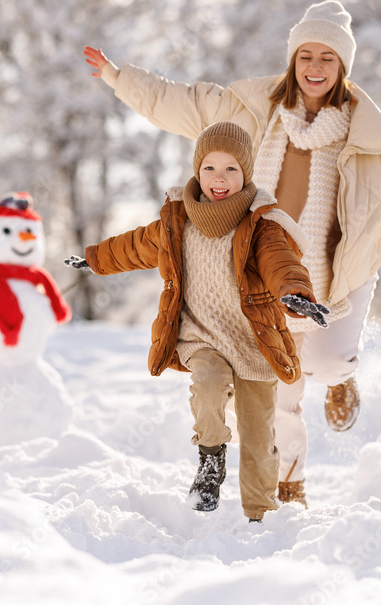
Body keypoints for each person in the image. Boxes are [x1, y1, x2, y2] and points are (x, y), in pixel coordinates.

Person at [83, 0, 381, 506]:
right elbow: (181, 102)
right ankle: (290, 481)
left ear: (342, 66)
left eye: (327, 57)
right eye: (306, 55)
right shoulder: (251, 110)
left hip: (337, 279)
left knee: (326, 363)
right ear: (293, 60)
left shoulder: (373, 140)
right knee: (279, 382)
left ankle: (341, 380)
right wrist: (117, 76)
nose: (315, 67)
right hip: (262, 276)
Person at [64, 121, 329, 523]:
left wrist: (296, 293)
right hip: (200, 335)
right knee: (206, 384)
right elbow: (135, 245)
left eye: (231, 170)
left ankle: (261, 516)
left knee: (259, 439)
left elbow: (281, 262)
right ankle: (210, 461)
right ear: (196, 169)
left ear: (246, 174)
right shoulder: (177, 220)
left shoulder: (262, 224)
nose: (219, 179)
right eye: (209, 168)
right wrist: (96, 258)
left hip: (253, 341)